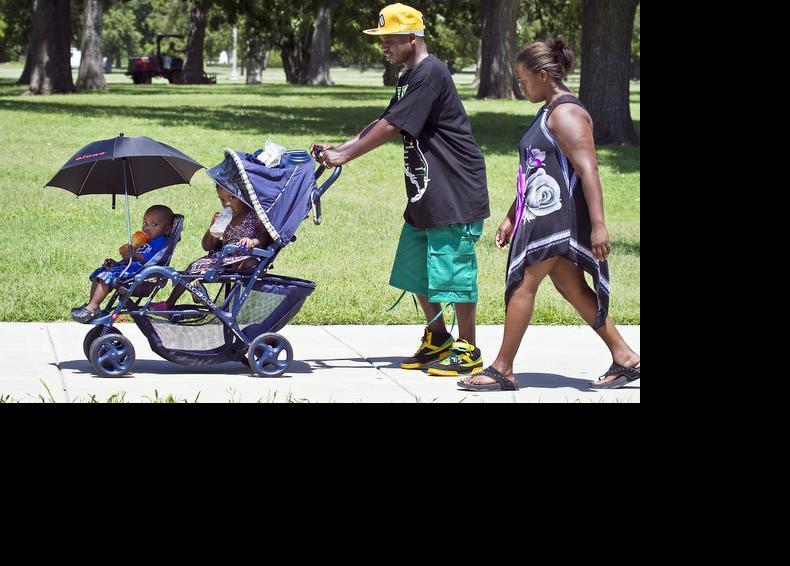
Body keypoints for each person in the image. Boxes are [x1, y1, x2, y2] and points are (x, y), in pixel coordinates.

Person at [310, 2, 491, 376]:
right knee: (415, 268)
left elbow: (391, 128)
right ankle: (438, 338)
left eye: (389, 39)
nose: (384, 46)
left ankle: (468, 347)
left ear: (412, 37)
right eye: (382, 40)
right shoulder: (410, 75)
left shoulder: (430, 73)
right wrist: (340, 148)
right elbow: (386, 119)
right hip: (426, 190)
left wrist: (348, 157)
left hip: (454, 188)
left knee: (453, 270)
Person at [458, 39, 640, 391]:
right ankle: (625, 357)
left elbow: (589, 170)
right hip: (542, 214)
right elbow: (536, 170)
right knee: (571, 286)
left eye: (524, 81)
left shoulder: (567, 113)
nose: (520, 86)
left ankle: (502, 369)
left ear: (544, 75)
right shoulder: (549, 109)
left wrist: (600, 226)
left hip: (558, 219)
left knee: (523, 283)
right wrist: (513, 214)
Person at [150, 183, 270, 311]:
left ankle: (244, 304)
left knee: (251, 264)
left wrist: (252, 242)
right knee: (193, 267)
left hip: (245, 256)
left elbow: (265, 237)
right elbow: (207, 247)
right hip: (224, 258)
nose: (226, 204)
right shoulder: (225, 218)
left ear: (244, 196)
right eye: (222, 199)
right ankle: (170, 303)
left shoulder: (255, 215)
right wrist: (212, 229)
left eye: (232, 198)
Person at [71, 205, 175, 323]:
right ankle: (93, 306)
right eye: (145, 223)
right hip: (131, 270)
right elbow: (135, 258)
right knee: (100, 273)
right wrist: (118, 262)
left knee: (106, 276)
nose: (147, 228)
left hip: (141, 276)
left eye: (154, 225)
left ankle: (92, 308)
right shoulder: (146, 241)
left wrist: (134, 255)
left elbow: (153, 259)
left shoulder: (161, 241)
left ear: (166, 230)